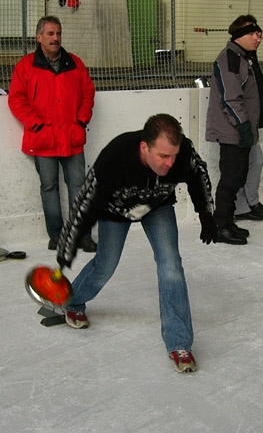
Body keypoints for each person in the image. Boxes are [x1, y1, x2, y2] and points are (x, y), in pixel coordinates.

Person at [56, 113, 218, 373]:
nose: (170, 163)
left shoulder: (182, 155)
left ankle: (179, 342)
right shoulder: (116, 156)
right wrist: (70, 240)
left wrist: (206, 213)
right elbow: (87, 200)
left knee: (171, 266)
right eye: (163, 156)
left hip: (157, 206)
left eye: (174, 156)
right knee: (106, 264)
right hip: (115, 210)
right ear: (144, 147)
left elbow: (198, 173)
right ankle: (73, 300)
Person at [8, 15, 97, 252]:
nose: (55, 38)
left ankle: (82, 235)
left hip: (71, 138)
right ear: (39, 37)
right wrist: (35, 124)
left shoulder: (75, 63)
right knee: (49, 188)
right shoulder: (25, 66)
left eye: (58, 33)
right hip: (43, 139)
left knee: (79, 187)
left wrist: (81, 120)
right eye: (50, 34)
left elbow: (88, 93)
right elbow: (16, 99)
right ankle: (57, 235)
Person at [205, 15, 263, 243]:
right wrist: (243, 127)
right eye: (254, 34)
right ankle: (221, 225)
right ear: (239, 35)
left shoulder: (245, 58)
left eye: (260, 35)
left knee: (237, 177)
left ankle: (228, 221)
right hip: (232, 131)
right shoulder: (230, 59)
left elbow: (255, 83)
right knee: (230, 179)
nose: (258, 39)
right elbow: (230, 99)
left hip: (241, 130)